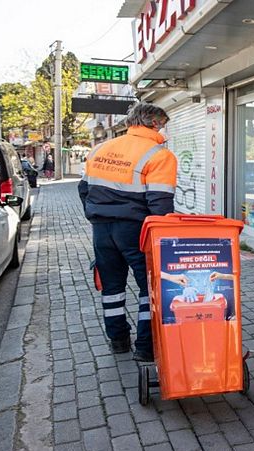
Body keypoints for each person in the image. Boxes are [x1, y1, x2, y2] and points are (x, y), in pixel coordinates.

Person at [78, 103, 177, 362]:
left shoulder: (100, 149)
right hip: (137, 231)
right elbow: (161, 205)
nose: (164, 130)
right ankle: (145, 347)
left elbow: (83, 190)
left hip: (101, 230)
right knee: (150, 287)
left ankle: (118, 340)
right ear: (154, 124)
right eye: (163, 125)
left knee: (111, 287)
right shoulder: (159, 155)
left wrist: (97, 215)